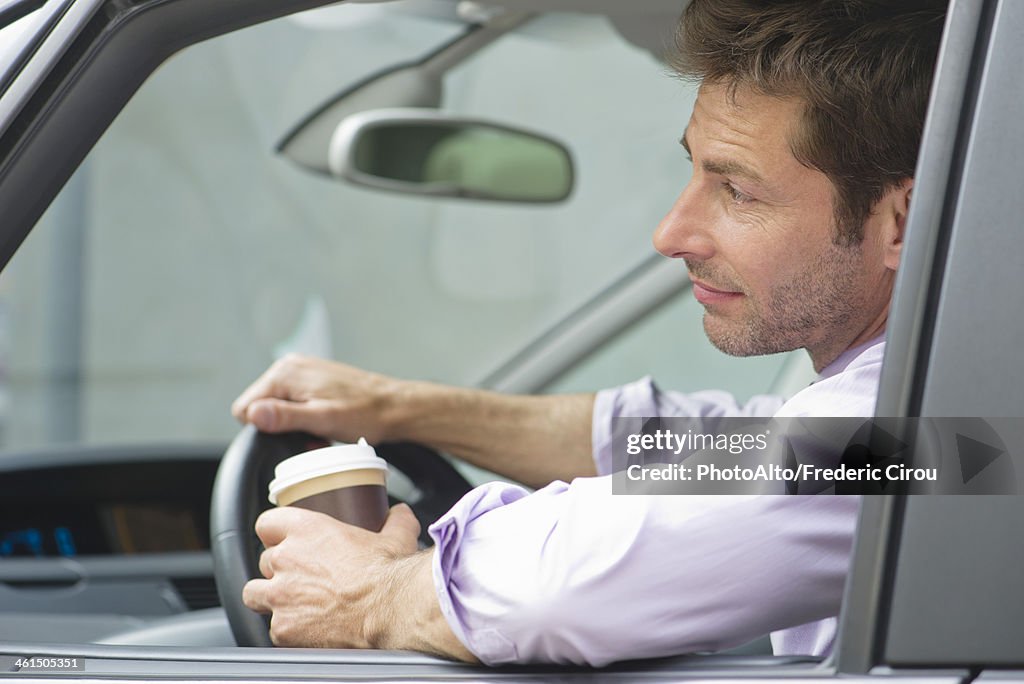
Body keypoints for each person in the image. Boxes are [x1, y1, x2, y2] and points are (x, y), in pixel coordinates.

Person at [233, 0, 946, 666]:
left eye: (736, 190)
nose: (671, 233)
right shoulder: (919, 408)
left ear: (901, 222)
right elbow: (703, 447)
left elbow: (553, 589)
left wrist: (371, 594)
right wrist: (402, 410)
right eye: (692, 170)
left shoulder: (917, 433)